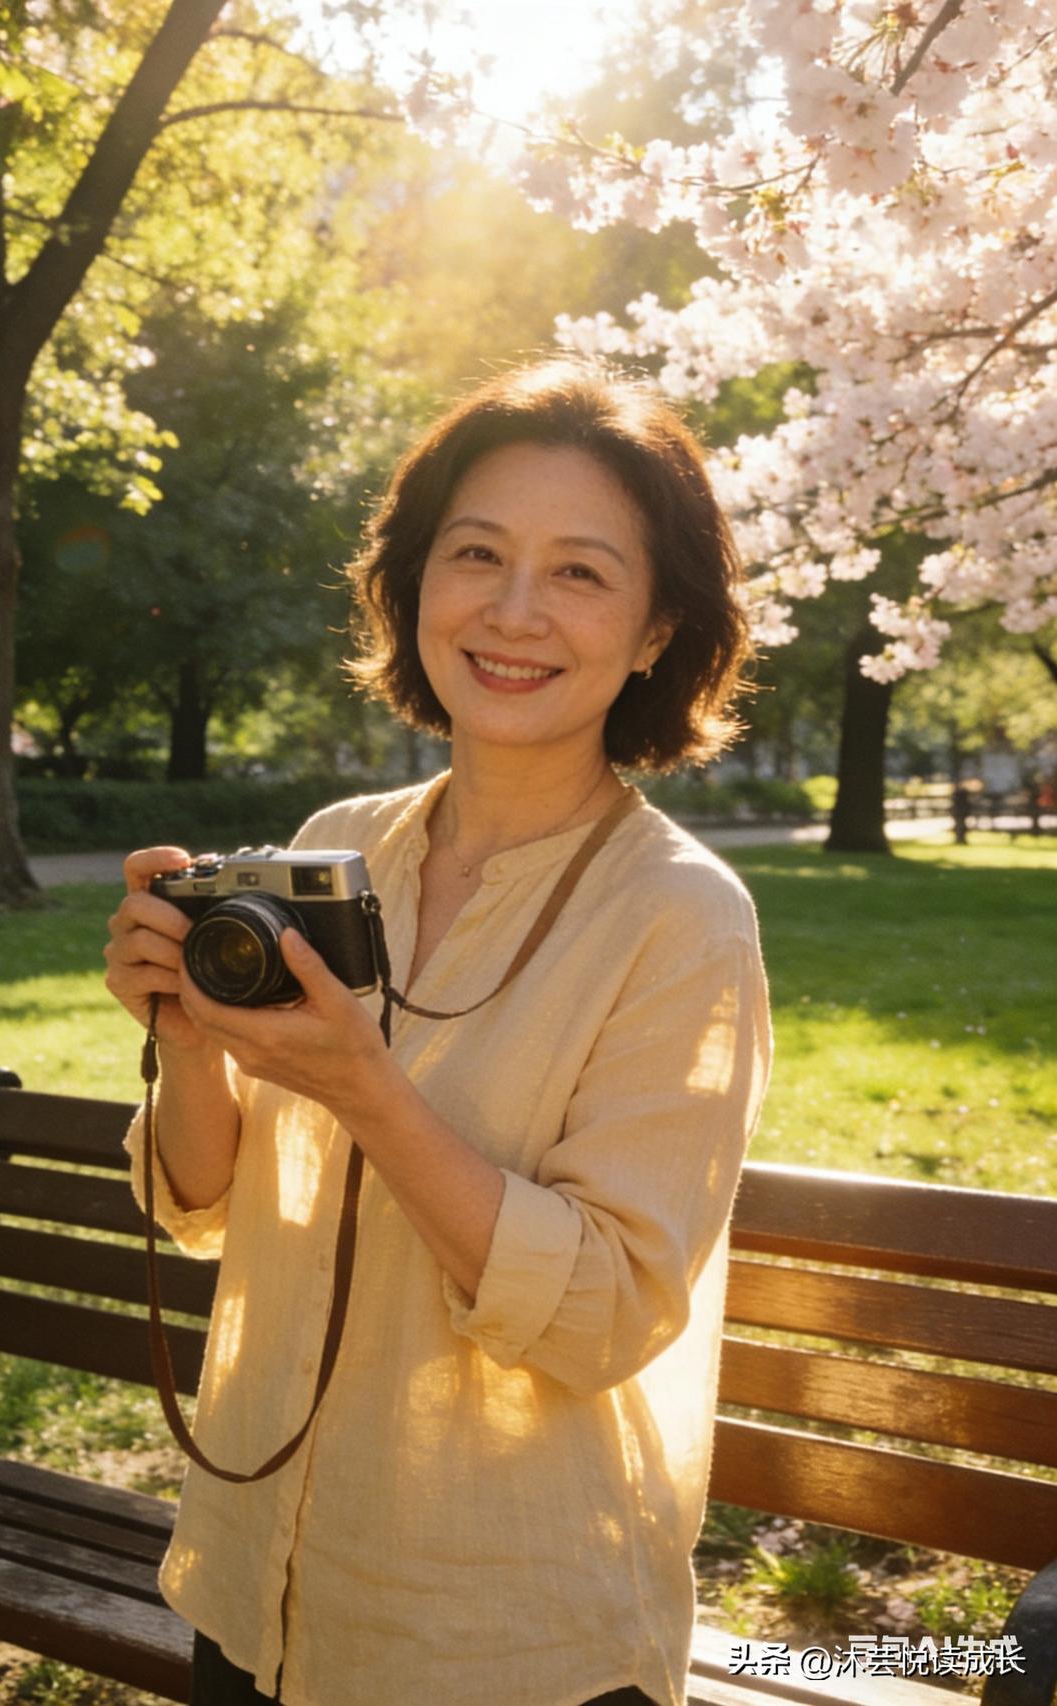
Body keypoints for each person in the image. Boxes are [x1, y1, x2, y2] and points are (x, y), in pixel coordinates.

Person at [104, 358, 772, 1706]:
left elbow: (605, 1314)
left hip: (498, 1632)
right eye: (476, 553)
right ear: (414, 584)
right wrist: (185, 1032)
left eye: (580, 572)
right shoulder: (334, 848)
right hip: (254, 1581)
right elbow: (201, 1202)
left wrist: (369, 1091)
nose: (513, 611)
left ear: (657, 631)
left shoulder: (683, 919)